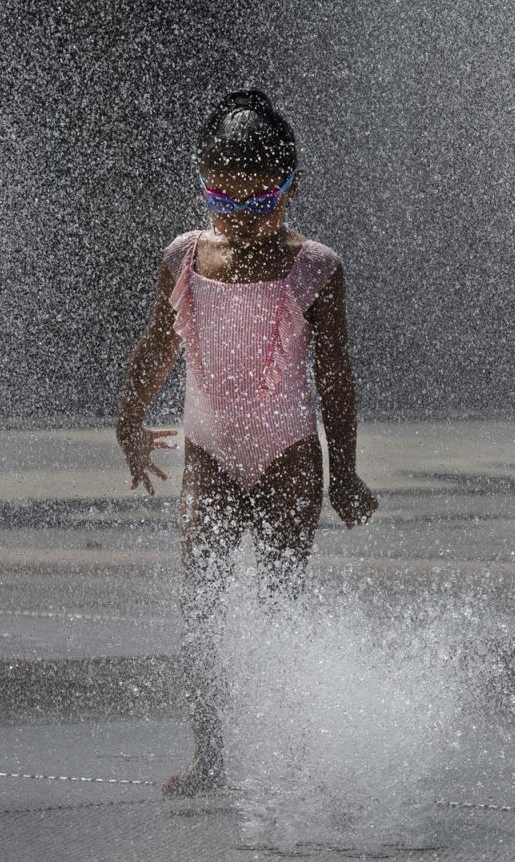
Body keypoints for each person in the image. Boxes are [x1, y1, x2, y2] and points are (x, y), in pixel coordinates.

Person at [115, 88, 378, 797]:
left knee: (279, 600)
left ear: (289, 191)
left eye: (260, 201)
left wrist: (345, 473)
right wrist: (128, 421)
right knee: (201, 599)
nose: (242, 217)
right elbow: (155, 346)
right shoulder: (185, 257)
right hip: (209, 448)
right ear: (204, 187)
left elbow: (338, 378)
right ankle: (212, 757)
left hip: (290, 451)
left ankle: (290, 754)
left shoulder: (315, 267)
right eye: (224, 199)